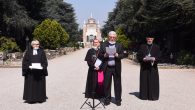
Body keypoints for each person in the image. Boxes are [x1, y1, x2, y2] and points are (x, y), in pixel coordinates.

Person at [99, 31, 124, 106]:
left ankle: (118, 100)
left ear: (115, 37)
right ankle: (107, 99)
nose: (112, 38)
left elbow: (123, 54)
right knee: (106, 84)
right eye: (110, 37)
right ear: (108, 37)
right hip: (107, 67)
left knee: (117, 84)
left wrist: (117, 55)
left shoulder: (119, 45)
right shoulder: (103, 45)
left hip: (116, 67)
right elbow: (99, 54)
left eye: (113, 37)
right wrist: (104, 55)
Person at [137, 36, 160, 100]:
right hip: (144, 67)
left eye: (151, 39)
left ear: (153, 39)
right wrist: (143, 59)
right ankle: (144, 96)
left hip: (153, 67)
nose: (150, 40)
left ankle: (153, 96)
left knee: (153, 81)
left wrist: (155, 59)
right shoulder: (142, 46)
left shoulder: (156, 47)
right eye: (148, 39)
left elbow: (159, 56)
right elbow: (138, 56)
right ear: (146, 39)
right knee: (144, 81)